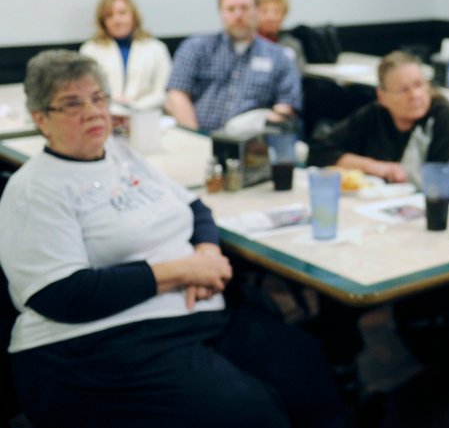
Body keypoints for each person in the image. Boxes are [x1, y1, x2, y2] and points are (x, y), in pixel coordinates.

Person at [0, 50, 345, 428]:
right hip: (94, 345)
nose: (93, 112)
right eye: (72, 104)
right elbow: (62, 295)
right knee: (250, 415)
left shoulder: (120, 155)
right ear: (41, 119)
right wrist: (183, 271)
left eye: (98, 98)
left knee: (304, 364)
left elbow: (195, 207)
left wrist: (207, 254)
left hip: (191, 316)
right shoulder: (35, 188)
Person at [308, 50, 449, 184]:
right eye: (404, 90)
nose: (415, 95)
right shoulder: (375, 114)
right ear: (382, 96)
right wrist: (377, 167)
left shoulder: (442, 116)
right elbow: (319, 150)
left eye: (419, 85)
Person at [165, 0, 302, 132]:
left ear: (256, 10)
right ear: (221, 13)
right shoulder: (196, 47)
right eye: (231, 9)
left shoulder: (280, 56)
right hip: (198, 134)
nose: (238, 15)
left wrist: (269, 127)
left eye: (245, 8)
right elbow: (177, 94)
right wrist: (196, 138)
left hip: (252, 139)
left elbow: (287, 103)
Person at [79, 0, 172, 111]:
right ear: (102, 21)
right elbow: (86, 90)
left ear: (134, 16)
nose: (117, 20)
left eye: (122, 13)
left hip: (146, 113)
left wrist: (134, 106)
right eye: (109, 15)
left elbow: (163, 92)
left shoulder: (156, 48)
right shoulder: (90, 50)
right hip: (105, 113)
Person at [257, 0, 307, 73]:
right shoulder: (247, 44)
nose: (271, 17)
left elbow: (297, 75)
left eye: (276, 12)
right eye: (264, 11)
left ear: (284, 16)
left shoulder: (291, 46)